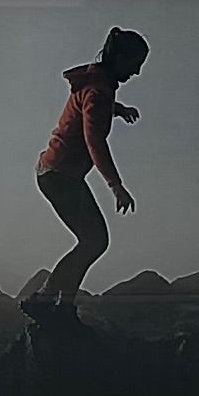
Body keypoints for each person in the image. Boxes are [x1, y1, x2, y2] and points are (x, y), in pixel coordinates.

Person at [29, 25, 147, 306]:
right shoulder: (97, 90)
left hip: (55, 172)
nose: (136, 72)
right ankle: (48, 299)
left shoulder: (98, 84)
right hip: (59, 175)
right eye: (135, 64)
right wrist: (116, 186)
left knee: (91, 241)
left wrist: (120, 110)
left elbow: (93, 107)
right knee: (94, 241)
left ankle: (59, 305)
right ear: (119, 58)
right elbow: (94, 141)